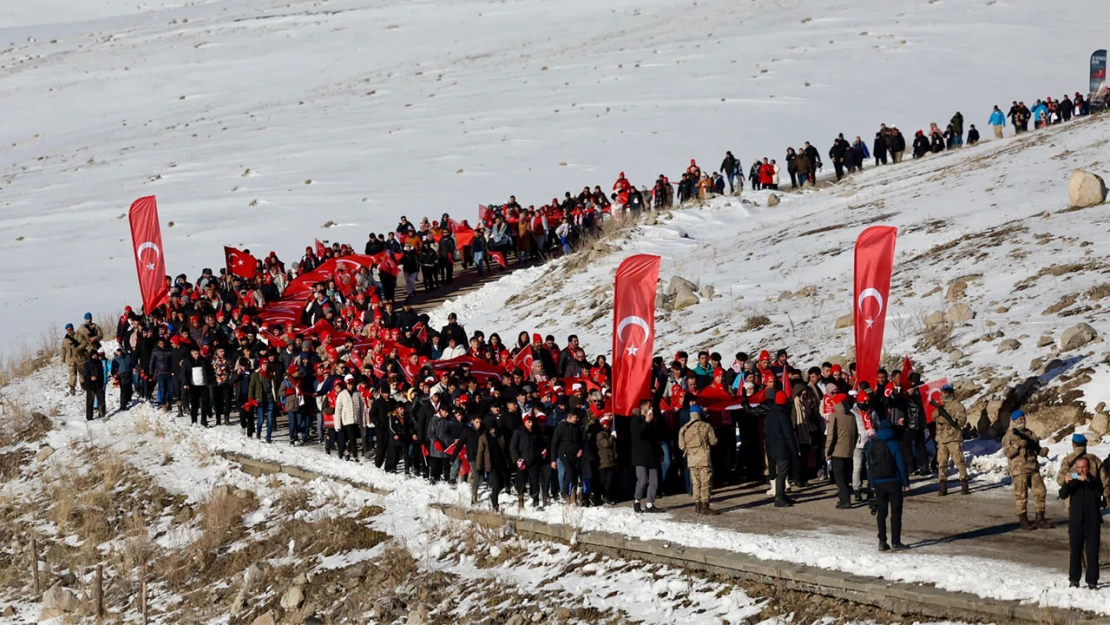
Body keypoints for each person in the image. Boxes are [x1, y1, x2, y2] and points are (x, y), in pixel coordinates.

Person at [1059, 457, 1103, 589]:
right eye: (1078, 468)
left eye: (1083, 467)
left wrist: (1087, 481)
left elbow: (1099, 492)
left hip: (1092, 522)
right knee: (1075, 551)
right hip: (1076, 521)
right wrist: (1067, 483)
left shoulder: (1095, 480)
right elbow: (1062, 495)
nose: (1081, 470)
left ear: (1088, 468)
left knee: (1092, 552)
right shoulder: (1074, 482)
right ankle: (1074, 579)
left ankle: (1092, 581)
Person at [866, 421, 910, 551]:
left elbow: (869, 466)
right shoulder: (895, 444)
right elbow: (902, 465)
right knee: (896, 512)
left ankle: (882, 541)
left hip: (879, 483)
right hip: (894, 482)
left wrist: (872, 483)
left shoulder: (871, 445)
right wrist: (905, 482)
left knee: (882, 513)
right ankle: (896, 541)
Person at [1002, 410, 1049, 530]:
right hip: (1019, 469)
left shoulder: (1030, 434)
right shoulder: (1009, 436)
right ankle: (1023, 520)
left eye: (1023, 418)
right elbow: (1008, 453)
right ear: (1014, 421)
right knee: (1021, 495)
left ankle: (1040, 518)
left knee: (1040, 492)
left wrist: (1042, 451)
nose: (1022, 420)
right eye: (1019, 419)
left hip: (1033, 467)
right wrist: (1018, 445)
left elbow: (1036, 448)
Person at [678, 405, 718, 514]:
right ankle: (705, 505)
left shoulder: (684, 428)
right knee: (705, 482)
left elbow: (681, 446)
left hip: (691, 459)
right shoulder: (705, 426)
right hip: (704, 458)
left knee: (695, 483)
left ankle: (697, 505)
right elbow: (713, 441)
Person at [932, 384, 969, 496]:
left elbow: (961, 422)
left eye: (947, 392)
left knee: (959, 462)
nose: (944, 394)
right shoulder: (940, 406)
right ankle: (942, 486)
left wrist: (946, 419)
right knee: (942, 463)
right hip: (942, 439)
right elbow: (934, 417)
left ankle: (964, 483)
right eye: (943, 392)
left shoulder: (958, 406)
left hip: (953, 438)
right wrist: (937, 415)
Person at [764, 391, 799, 507]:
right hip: (783, 448)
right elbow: (788, 434)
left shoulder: (770, 414)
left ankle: (782, 495)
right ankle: (779, 498)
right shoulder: (783, 415)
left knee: (781, 472)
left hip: (772, 447)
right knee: (783, 473)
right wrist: (794, 450)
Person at [825, 391, 857, 508]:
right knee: (845, 476)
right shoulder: (851, 415)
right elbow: (855, 433)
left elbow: (831, 436)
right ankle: (845, 498)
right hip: (848, 450)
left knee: (840, 478)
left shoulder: (834, 416)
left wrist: (827, 451)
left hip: (837, 451)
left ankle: (845, 500)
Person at [631, 399, 663, 513]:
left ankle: (650, 504)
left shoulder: (653, 420)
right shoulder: (636, 420)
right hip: (640, 455)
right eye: (649, 406)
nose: (651, 408)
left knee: (654, 480)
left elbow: (656, 438)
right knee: (642, 480)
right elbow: (638, 434)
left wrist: (660, 452)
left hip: (652, 454)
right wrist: (646, 422)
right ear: (643, 408)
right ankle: (637, 500)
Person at [475, 419, 510, 511]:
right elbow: (480, 453)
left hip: (501, 463)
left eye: (494, 428)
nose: (493, 430)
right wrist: (479, 467)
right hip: (491, 465)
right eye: (491, 429)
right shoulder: (483, 438)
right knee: (496, 484)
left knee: (502, 484)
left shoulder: (500, 436)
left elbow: (505, 449)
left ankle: (494, 496)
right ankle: (495, 504)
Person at [81, 350, 107, 421]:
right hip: (90, 385)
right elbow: (85, 374)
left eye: (96, 355)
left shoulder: (99, 363)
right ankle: (89, 417)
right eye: (93, 355)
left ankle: (102, 414)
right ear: (91, 356)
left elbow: (102, 374)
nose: (95, 356)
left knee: (102, 400)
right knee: (90, 402)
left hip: (99, 385)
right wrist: (90, 377)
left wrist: (101, 382)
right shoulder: (87, 364)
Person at [61, 323, 85, 396]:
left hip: (80, 358)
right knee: (72, 374)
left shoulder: (78, 336)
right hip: (71, 360)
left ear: (72, 329)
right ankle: (72, 388)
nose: (69, 331)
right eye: (67, 330)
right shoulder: (65, 340)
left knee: (82, 373)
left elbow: (84, 343)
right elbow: (63, 349)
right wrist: (62, 358)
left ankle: (83, 385)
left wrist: (78, 348)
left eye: (70, 329)